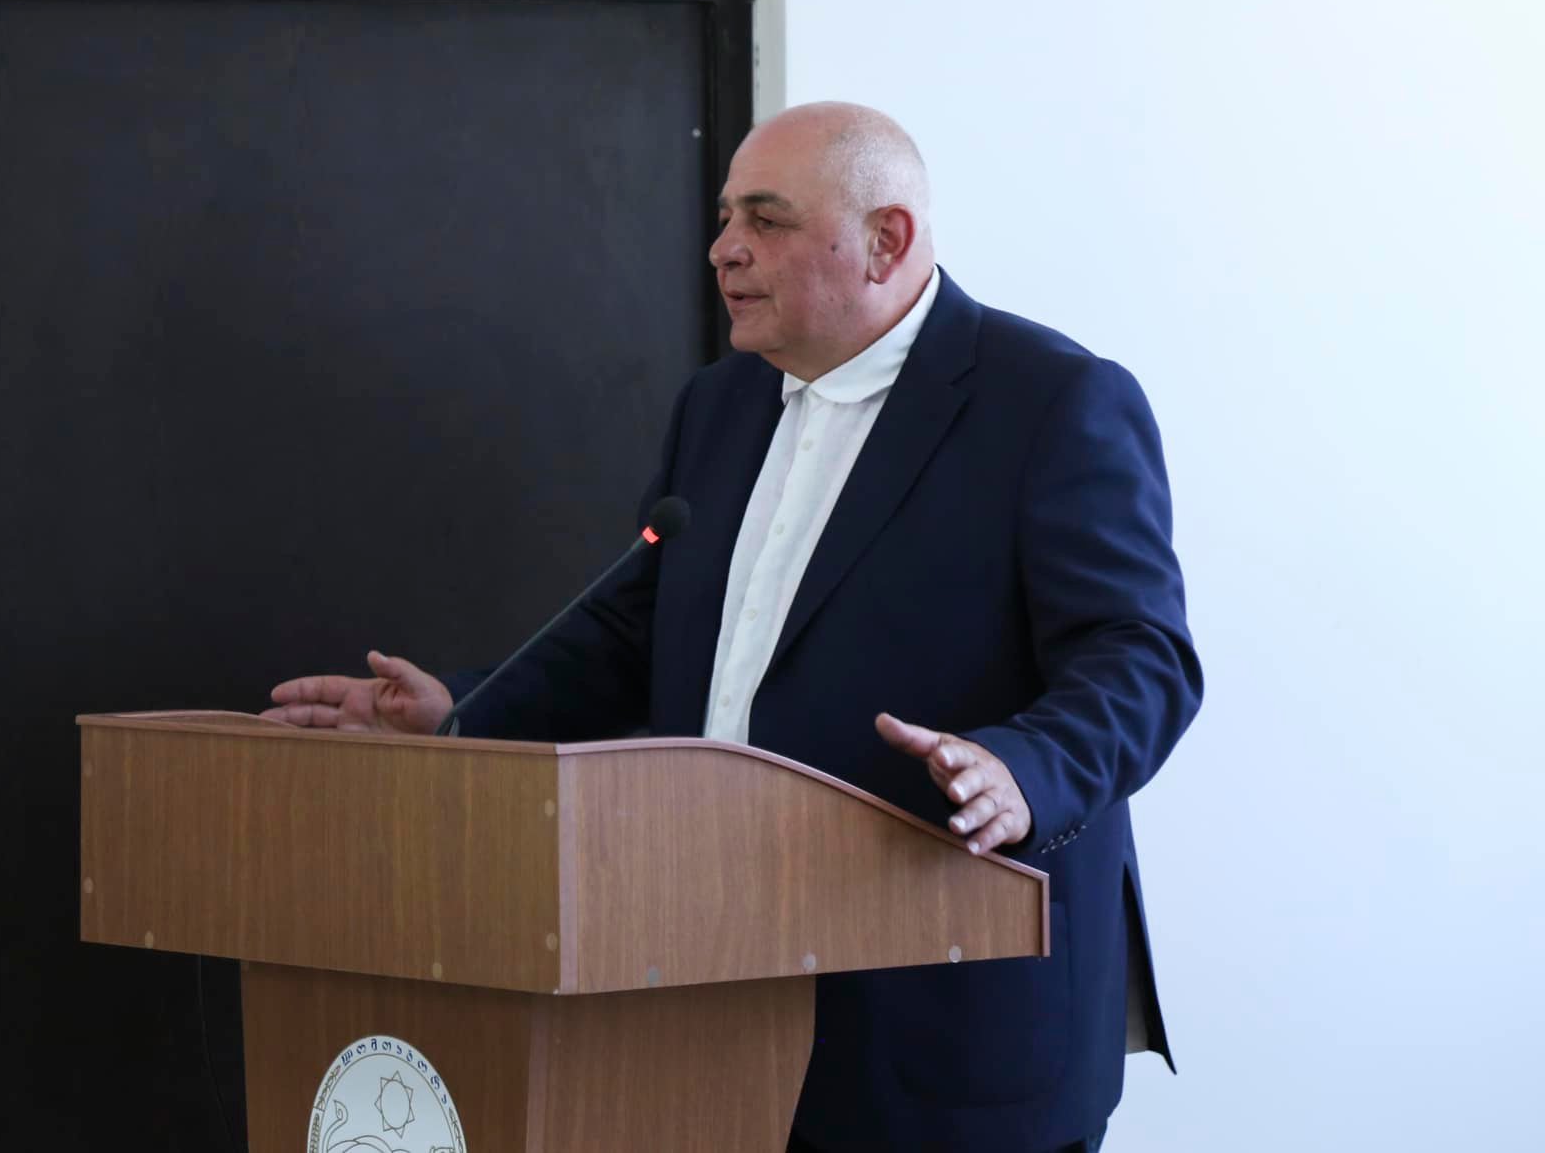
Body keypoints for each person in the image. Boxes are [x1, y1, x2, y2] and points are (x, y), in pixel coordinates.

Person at [265, 102, 1203, 1153]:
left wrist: (1022, 771)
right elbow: (636, 630)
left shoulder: (1051, 402)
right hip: (713, 990)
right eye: (723, 218)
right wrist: (462, 713)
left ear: (885, 240)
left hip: (947, 1008)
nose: (723, 248)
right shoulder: (719, 405)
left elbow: (1140, 659)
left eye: (765, 218)